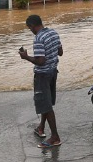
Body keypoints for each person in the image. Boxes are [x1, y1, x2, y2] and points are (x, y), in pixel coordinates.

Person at [19, 14, 64, 148]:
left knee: (46, 105)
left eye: (29, 28)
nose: (30, 30)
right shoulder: (53, 33)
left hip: (42, 75)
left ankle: (55, 137)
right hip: (53, 72)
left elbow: (40, 61)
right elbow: (60, 52)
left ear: (32, 26)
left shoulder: (38, 39)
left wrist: (26, 57)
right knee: (47, 102)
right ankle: (41, 128)